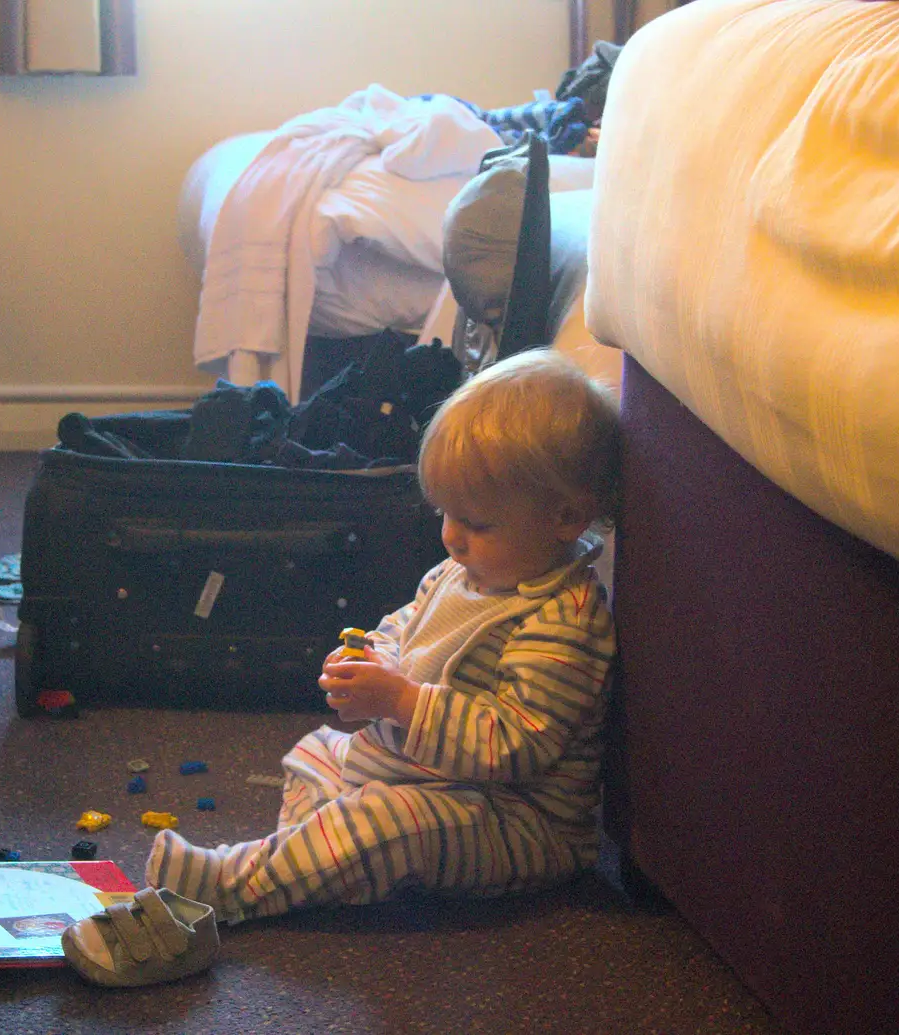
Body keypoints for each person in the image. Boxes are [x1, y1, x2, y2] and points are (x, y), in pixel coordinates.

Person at [146, 347, 620, 925]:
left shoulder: (561, 622)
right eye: (445, 513)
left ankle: (237, 885)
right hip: (419, 771)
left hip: (513, 819)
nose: (451, 537)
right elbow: (409, 625)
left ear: (566, 519)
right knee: (315, 753)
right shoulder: (466, 571)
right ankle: (316, 860)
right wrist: (372, 657)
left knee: (385, 821)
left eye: (476, 523)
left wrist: (399, 700)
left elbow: (513, 745)